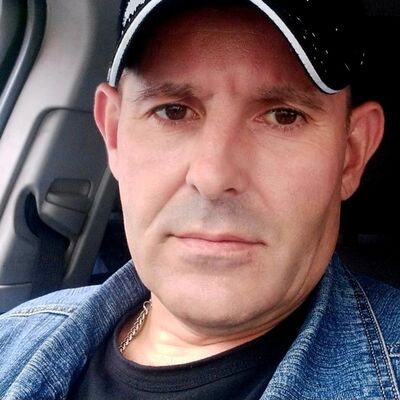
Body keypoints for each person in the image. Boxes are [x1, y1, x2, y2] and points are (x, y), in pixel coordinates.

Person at [1, 0, 399, 398]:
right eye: (173, 111)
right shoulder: (11, 339)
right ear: (115, 135)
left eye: (283, 116)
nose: (213, 177)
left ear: (351, 155)